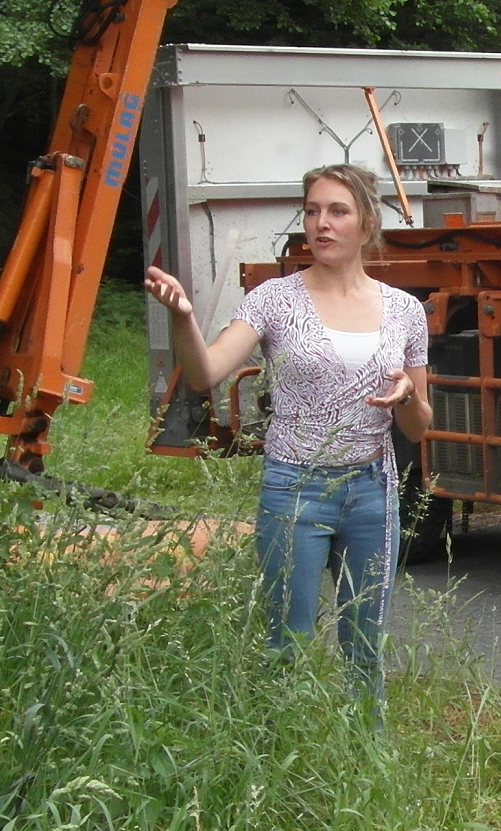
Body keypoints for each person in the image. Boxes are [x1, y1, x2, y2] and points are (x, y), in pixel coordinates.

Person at [144, 163, 431, 699]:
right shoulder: (274, 299)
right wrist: (182, 317)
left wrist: (407, 397)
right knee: (287, 645)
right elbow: (206, 372)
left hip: (373, 490)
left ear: (366, 222)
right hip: (295, 488)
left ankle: (365, 758)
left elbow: (418, 426)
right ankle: (281, 755)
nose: (321, 223)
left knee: (365, 646)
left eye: (337, 211)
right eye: (313, 210)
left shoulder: (404, 311)